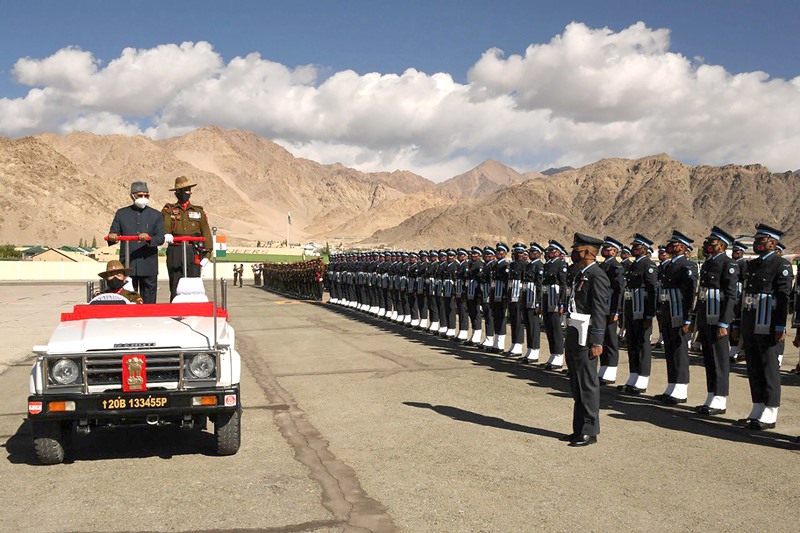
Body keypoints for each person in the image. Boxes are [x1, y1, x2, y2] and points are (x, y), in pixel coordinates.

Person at [738, 223, 792, 430]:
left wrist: (780, 326)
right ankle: (757, 408)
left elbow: (783, 297)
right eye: (757, 240)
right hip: (752, 321)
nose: (758, 244)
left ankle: (770, 411)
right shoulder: (752, 265)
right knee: (754, 366)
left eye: (762, 240)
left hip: (768, 322)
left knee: (769, 368)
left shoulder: (781, 265)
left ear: (773, 242)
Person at [558, 233, 609, 447]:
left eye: (578, 251)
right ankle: (578, 428)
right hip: (575, 332)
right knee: (576, 383)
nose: (574, 254)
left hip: (587, 336)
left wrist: (597, 341)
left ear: (588, 252)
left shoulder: (597, 275)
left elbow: (599, 310)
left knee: (587, 384)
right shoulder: (580, 274)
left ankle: (589, 430)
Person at [694, 226, 739, 415]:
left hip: (718, 317)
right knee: (709, 358)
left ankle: (720, 399)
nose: (706, 246)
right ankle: (711, 395)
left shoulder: (728, 264)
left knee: (719, 359)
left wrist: (724, 322)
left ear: (721, 245)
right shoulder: (708, 263)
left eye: (710, 243)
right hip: (706, 316)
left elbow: (731, 296)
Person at [655, 230, 697, 405]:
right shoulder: (666, 266)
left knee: (679, 352)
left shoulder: (688, 266)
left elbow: (689, 295)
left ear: (683, 247)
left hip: (679, 314)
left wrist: (688, 319)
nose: (669, 247)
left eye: (674, 244)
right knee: (670, 351)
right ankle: (671, 386)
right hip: (667, 313)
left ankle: (680, 389)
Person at [107, 181, 165, 303]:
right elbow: (114, 232)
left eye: (146, 195)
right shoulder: (122, 214)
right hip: (128, 264)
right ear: (132, 196)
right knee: (128, 299)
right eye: (140, 195)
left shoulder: (156, 215)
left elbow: (160, 238)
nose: (143, 198)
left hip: (148, 264)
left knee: (149, 301)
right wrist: (113, 236)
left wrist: (149, 238)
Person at [161, 176, 213, 302]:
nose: (187, 193)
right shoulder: (169, 210)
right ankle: (175, 311)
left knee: (193, 284)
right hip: (176, 250)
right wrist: (167, 234)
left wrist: (207, 255)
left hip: (193, 251)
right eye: (184, 190)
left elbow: (206, 233)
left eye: (188, 189)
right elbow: (165, 227)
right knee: (175, 285)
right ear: (176, 193)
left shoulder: (198, 211)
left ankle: (193, 312)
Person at [619, 234, 658, 395]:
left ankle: (642, 379)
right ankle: (633, 376)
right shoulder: (634, 265)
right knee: (632, 344)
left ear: (644, 249)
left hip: (642, 311)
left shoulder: (648, 265)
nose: (634, 249)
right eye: (633, 247)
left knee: (642, 345)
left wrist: (649, 315)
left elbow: (652, 291)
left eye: (637, 247)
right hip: (631, 310)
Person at [598, 237, 626, 385]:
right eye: (604, 249)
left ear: (615, 251)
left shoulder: (616, 267)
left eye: (608, 249)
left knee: (610, 339)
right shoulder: (603, 265)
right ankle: (603, 369)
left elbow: (619, 291)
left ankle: (611, 371)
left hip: (610, 307)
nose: (605, 251)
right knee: (601, 338)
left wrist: (616, 311)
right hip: (602, 306)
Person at [542, 240, 569, 369]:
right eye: (549, 250)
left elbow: (563, 284)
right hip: (547, 296)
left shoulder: (561, 264)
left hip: (555, 297)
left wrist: (562, 302)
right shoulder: (547, 264)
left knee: (556, 328)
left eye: (552, 251)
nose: (549, 252)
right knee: (548, 326)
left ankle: (558, 356)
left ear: (558, 252)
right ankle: (553, 354)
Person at [518, 242, 545, 363]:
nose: (531, 254)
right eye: (530, 252)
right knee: (528, 325)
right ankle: (529, 350)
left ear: (539, 254)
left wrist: (538, 302)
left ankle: (534, 351)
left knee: (534, 325)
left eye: (534, 252)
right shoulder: (529, 265)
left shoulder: (539, 265)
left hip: (533, 299)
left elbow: (539, 285)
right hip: (526, 297)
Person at [505, 243, 529, 356]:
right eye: (517, 253)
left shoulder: (526, 265)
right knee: (513, 320)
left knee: (519, 321)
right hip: (511, 294)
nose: (519, 255)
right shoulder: (512, 265)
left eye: (521, 253)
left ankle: (518, 345)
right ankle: (514, 343)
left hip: (519, 295)